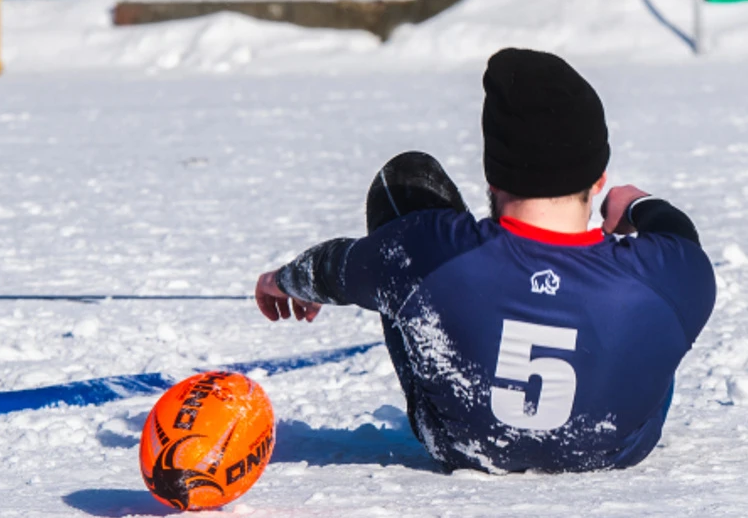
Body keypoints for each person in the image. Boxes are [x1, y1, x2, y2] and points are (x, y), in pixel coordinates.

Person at [253, 48, 716, 473]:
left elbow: (335, 267)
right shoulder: (668, 271)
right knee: (664, 305)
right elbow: (684, 243)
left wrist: (285, 280)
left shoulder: (427, 248)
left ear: (492, 179)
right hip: (614, 447)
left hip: (463, 442)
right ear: (599, 179)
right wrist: (639, 204)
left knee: (405, 185)